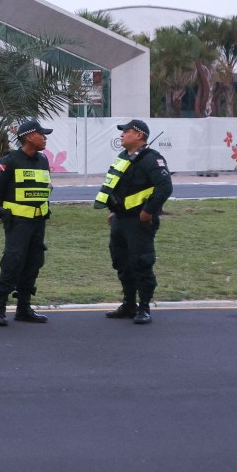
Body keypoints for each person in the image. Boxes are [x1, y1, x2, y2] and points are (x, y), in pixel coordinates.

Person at [95, 119, 173, 324]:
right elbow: (120, 188)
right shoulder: (124, 157)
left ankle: (144, 307)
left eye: (126, 131)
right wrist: (114, 211)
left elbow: (164, 187)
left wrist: (148, 211)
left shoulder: (151, 158)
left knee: (141, 262)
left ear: (139, 135)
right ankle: (129, 304)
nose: (122, 135)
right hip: (120, 220)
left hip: (139, 222)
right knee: (122, 263)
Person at [0, 119, 53, 326]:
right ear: (29, 137)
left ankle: (24, 308)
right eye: (41, 134)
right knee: (13, 261)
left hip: (38, 222)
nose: (45, 138)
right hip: (18, 223)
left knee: (34, 261)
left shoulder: (43, 160)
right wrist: (3, 214)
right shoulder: (10, 160)